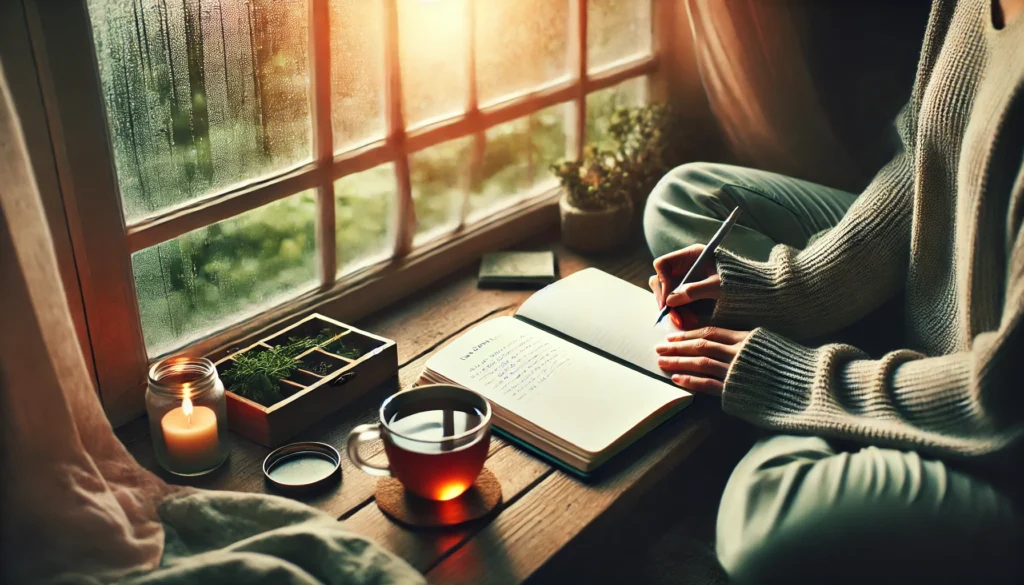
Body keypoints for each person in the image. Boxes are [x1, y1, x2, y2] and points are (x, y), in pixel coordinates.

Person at [643, 0, 1024, 583]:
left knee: (758, 526)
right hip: (938, 309)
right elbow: (925, 164)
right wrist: (780, 290)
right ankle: (867, 379)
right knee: (682, 198)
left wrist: (795, 379)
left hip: (997, 439)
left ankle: (854, 399)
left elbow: (999, 400)